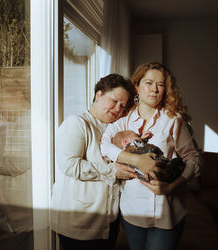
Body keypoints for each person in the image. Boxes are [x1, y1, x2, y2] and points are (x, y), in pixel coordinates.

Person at [100, 62, 202, 250]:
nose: (154, 89)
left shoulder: (173, 119)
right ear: (137, 86)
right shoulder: (123, 119)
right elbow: (105, 146)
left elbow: (193, 158)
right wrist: (137, 160)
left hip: (167, 211)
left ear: (165, 90)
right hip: (132, 211)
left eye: (160, 84)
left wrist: (171, 187)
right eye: (148, 82)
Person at [49, 74, 157, 250]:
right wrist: (112, 171)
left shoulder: (115, 129)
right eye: (114, 101)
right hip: (79, 223)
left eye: (122, 106)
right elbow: (70, 165)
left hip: (108, 223)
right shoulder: (77, 123)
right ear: (98, 95)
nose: (118, 109)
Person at [111, 130, 186, 183]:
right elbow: (138, 143)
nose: (139, 138)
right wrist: (142, 138)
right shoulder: (132, 146)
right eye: (137, 136)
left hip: (146, 177)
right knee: (169, 164)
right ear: (125, 141)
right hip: (154, 164)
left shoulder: (122, 159)